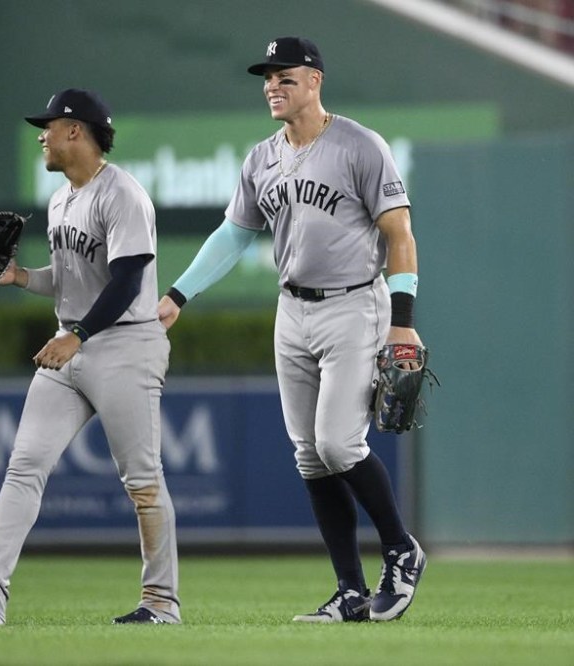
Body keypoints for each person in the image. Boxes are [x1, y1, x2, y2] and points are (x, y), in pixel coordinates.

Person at [158, 37, 426, 623]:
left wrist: (402, 324)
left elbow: (398, 234)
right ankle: (350, 592)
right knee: (309, 457)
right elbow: (233, 235)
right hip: (292, 310)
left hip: (355, 304)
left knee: (337, 444)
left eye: (285, 76)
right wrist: (180, 293)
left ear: (315, 81)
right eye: (267, 77)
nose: (272, 86)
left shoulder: (359, 145)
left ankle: (402, 549)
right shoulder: (261, 158)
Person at [0, 88, 180, 626]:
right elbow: (69, 280)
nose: (41, 136)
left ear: (77, 130)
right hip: (74, 344)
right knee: (24, 467)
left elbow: (127, 281)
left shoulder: (123, 194)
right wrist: (19, 276)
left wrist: (80, 334)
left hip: (126, 346)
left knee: (142, 481)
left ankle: (162, 603)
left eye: (48, 126)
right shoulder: (61, 198)